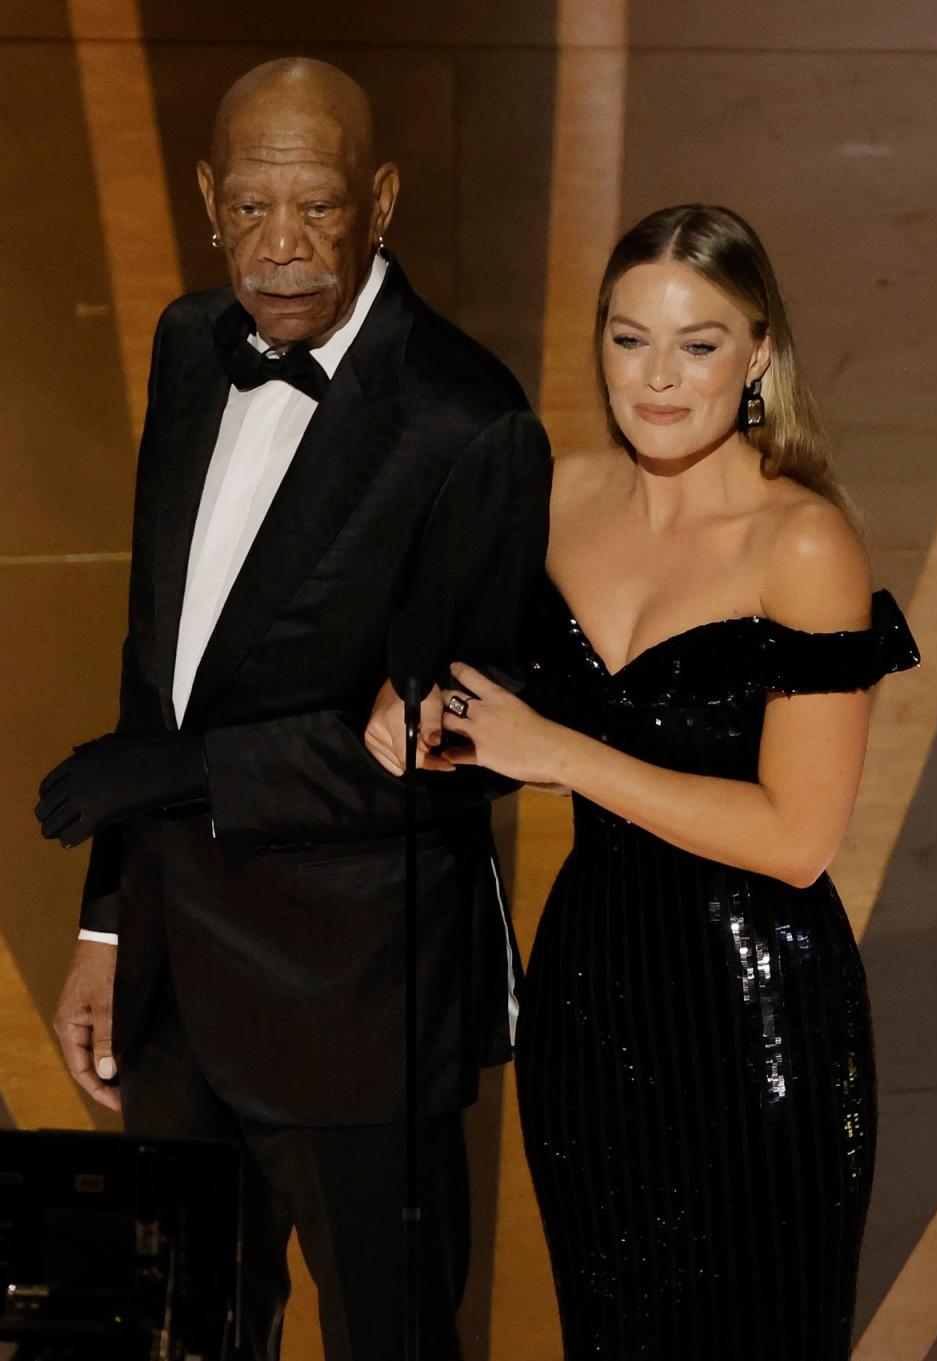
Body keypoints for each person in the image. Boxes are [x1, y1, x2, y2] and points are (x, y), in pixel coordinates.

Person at [35, 58, 551, 1361]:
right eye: (252, 210)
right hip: (172, 982)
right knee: (181, 1332)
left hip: (355, 996)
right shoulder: (185, 344)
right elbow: (156, 663)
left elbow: (460, 740)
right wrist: (105, 923)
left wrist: (184, 772)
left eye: (316, 209)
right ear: (209, 198)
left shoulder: (465, 419)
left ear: (380, 199)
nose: (282, 250)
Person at [380, 205, 920, 1359]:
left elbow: (797, 837)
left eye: (698, 342)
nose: (659, 378)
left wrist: (557, 752)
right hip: (589, 998)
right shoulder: (554, 495)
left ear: (760, 352)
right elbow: (467, 684)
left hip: (757, 1009)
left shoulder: (802, 542)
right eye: (630, 340)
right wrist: (411, 702)